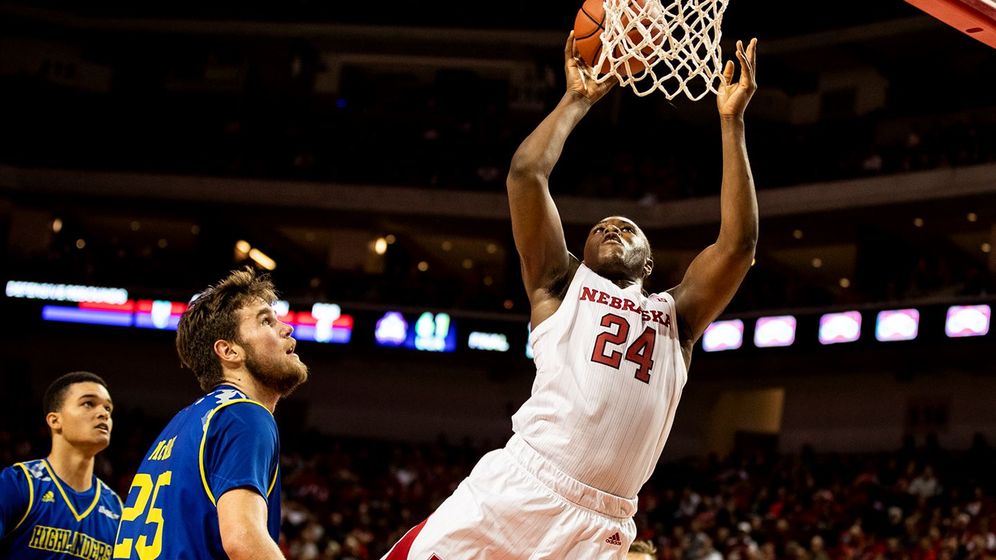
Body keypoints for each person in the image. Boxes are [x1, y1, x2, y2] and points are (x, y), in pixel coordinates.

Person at [383, 32, 758, 560]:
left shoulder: (679, 315)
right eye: (600, 227)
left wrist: (731, 122)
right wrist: (576, 99)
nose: (610, 229)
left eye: (626, 229)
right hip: (524, 484)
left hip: (603, 521)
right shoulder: (560, 285)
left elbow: (739, 246)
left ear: (649, 264)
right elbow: (526, 174)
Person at [112, 268, 308, 560]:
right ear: (229, 351)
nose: (286, 328)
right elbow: (243, 540)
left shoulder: (183, 422)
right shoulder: (245, 415)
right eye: (266, 320)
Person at [0, 371, 122, 559]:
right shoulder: (18, 483)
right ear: (55, 420)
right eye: (88, 403)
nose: (103, 414)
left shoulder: (116, 509)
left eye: (108, 409)